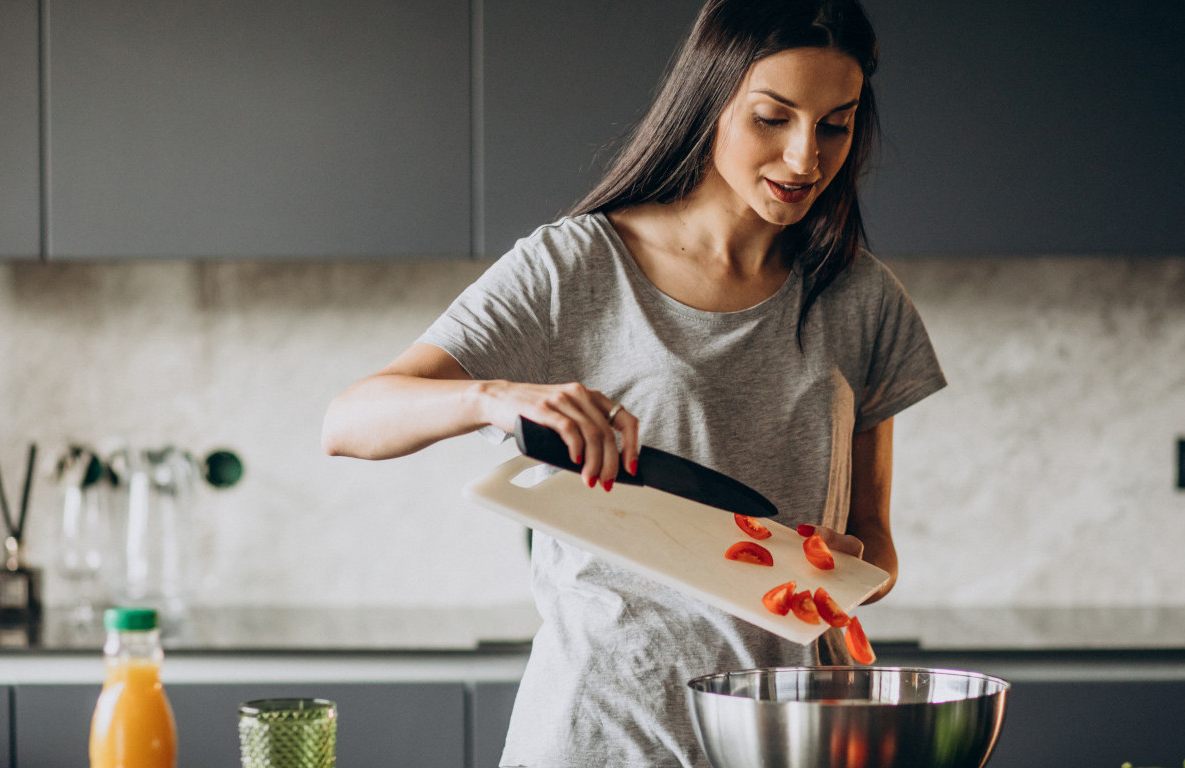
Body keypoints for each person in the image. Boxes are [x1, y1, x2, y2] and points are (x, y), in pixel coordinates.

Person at [321, 0, 945, 764]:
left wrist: (843, 572)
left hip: (783, 736)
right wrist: (496, 397)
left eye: (836, 126)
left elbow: (876, 547)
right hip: (601, 734)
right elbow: (349, 421)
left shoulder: (861, 298)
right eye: (772, 118)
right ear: (710, 101)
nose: (804, 158)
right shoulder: (578, 265)